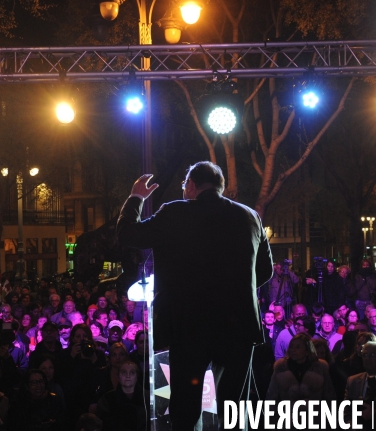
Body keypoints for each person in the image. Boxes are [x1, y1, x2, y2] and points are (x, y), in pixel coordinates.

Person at [117, 162, 273, 430]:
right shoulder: (250, 217)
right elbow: (265, 271)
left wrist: (136, 198)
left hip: (188, 327)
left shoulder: (174, 212)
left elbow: (129, 234)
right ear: (219, 186)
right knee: (234, 410)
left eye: (184, 185)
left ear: (191, 184)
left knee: (185, 410)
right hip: (238, 329)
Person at [266, 333, 335, 403]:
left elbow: (329, 395)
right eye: (291, 346)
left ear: (307, 351)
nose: (293, 350)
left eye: (298, 347)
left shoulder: (320, 367)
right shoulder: (281, 367)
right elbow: (272, 396)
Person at [95, 361, 149, 431]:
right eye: (124, 372)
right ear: (118, 376)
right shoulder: (107, 399)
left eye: (132, 372)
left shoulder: (148, 398)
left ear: (137, 377)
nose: (128, 376)